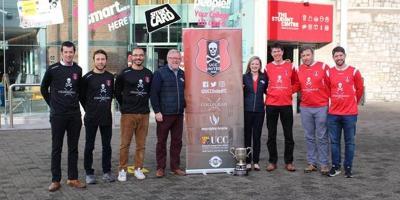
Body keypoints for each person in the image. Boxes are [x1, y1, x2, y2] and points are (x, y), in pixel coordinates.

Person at [40, 41, 85, 192]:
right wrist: (52, 104)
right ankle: (55, 180)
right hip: (58, 115)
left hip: (74, 115)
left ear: (74, 52)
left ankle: (72, 178)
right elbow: (43, 88)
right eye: (65, 52)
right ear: (61, 53)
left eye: (71, 52)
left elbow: (79, 91)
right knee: (56, 148)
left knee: (73, 148)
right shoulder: (53, 69)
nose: (68, 54)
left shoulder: (78, 70)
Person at [115, 48, 153, 181]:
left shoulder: (149, 73)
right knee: (125, 144)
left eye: (141, 55)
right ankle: (122, 170)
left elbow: (150, 93)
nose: (138, 57)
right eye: (135, 55)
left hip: (144, 114)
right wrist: (124, 107)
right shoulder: (124, 73)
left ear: (144, 57)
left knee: (141, 145)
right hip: (128, 114)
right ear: (131, 57)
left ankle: (138, 168)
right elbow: (117, 91)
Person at [326, 46, 364, 178]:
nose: (339, 58)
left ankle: (348, 168)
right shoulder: (329, 72)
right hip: (333, 114)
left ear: (345, 56)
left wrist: (353, 102)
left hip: (350, 114)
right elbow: (326, 89)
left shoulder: (354, 71)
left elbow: (359, 90)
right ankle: (336, 167)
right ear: (333, 58)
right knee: (335, 142)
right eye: (336, 56)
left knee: (350, 142)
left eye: (341, 55)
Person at [293, 46, 330, 175]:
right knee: (309, 137)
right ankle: (312, 163)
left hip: (321, 107)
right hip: (305, 108)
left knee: (322, 137)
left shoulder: (323, 67)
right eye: (303, 56)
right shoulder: (299, 69)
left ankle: (324, 164)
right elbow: (297, 85)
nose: (305, 58)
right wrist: (284, 91)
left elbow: (332, 83)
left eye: (308, 55)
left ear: (313, 55)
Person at [80, 50, 115, 184]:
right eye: (98, 59)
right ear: (93, 60)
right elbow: (82, 97)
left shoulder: (110, 77)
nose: (100, 61)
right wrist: (89, 109)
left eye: (103, 59)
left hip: (106, 117)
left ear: (106, 60)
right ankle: (89, 173)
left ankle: (107, 172)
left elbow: (111, 95)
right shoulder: (87, 77)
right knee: (89, 146)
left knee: (107, 146)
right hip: (91, 117)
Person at [150, 49, 186, 178]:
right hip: (164, 114)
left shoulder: (182, 74)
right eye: (173, 58)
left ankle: (175, 167)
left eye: (178, 58)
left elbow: (186, 93)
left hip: (178, 114)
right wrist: (157, 111)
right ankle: (160, 168)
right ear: (168, 59)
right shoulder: (160, 73)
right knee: (161, 142)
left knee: (177, 141)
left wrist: (185, 106)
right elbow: (154, 94)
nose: (175, 60)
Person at [264, 43, 297, 172]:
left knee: (288, 135)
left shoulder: (290, 66)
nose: (276, 54)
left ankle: (289, 162)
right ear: (271, 54)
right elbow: (264, 84)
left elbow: (296, 83)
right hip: (271, 104)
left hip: (286, 105)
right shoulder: (267, 67)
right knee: (271, 135)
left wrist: (289, 91)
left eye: (278, 51)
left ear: (282, 52)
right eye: (274, 52)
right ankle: (272, 161)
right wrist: (270, 93)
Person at [243, 56, 268, 171]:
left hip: (259, 111)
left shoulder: (264, 77)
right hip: (247, 110)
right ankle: (248, 161)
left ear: (259, 65)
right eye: (252, 64)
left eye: (257, 64)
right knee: (247, 136)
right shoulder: (244, 77)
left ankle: (256, 161)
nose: (254, 66)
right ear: (249, 65)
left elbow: (268, 92)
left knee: (257, 136)